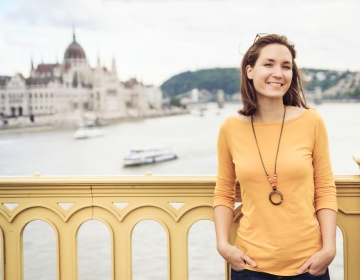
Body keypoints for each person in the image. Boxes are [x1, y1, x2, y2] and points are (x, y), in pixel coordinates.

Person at [213, 34, 338, 280]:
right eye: (268, 64)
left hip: (309, 265)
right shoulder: (230, 128)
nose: (278, 73)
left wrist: (329, 249)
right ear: (249, 71)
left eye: (286, 66)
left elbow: (325, 189)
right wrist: (223, 246)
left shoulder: (311, 121)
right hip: (250, 266)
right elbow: (224, 192)